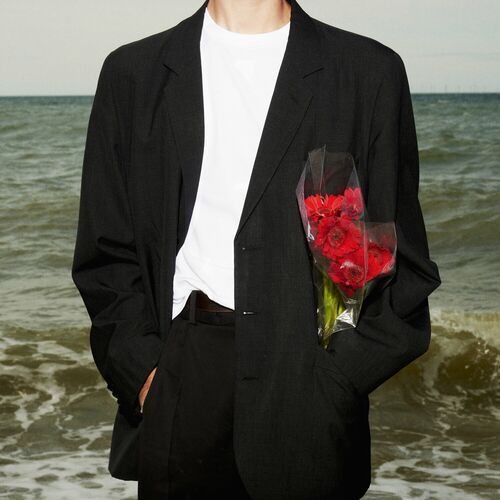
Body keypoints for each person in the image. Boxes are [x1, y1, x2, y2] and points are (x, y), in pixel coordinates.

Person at [71, 0, 441, 498]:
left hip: (310, 383)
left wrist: (338, 380)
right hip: (183, 378)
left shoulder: (369, 72)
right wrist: (144, 374)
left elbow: (405, 269)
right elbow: (105, 255)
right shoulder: (132, 73)